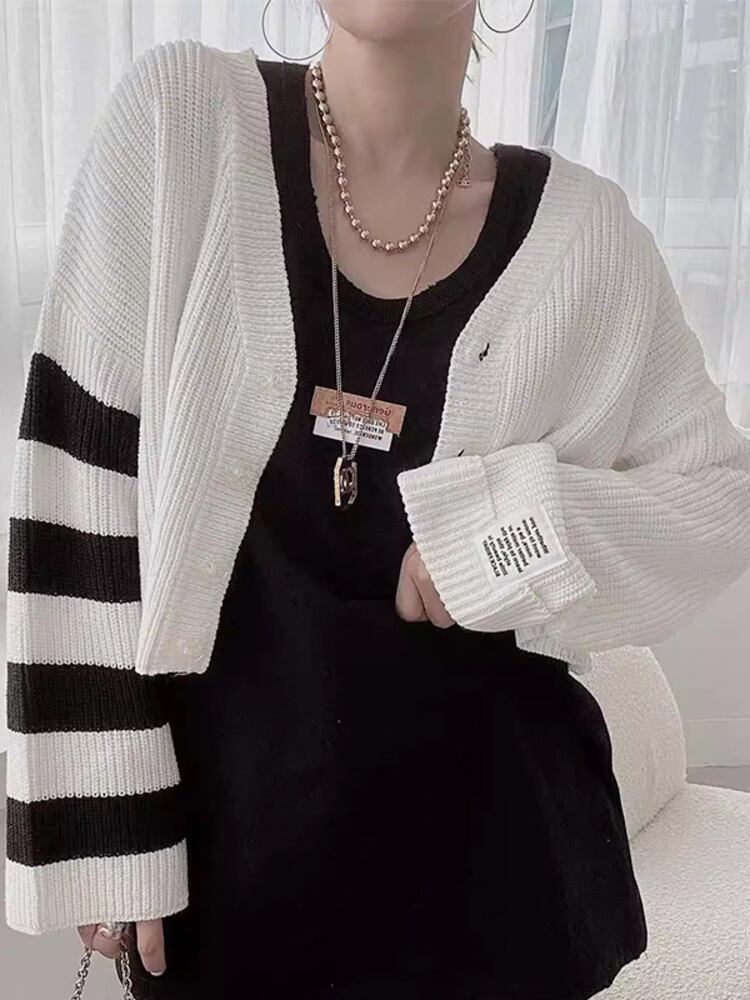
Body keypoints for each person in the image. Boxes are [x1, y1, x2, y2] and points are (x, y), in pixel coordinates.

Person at [5, 2, 750, 999]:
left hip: (504, 892)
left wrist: (504, 534)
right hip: (229, 891)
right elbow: (76, 475)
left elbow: (720, 496)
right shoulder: (182, 125)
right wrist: (103, 820)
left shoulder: (588, 240)